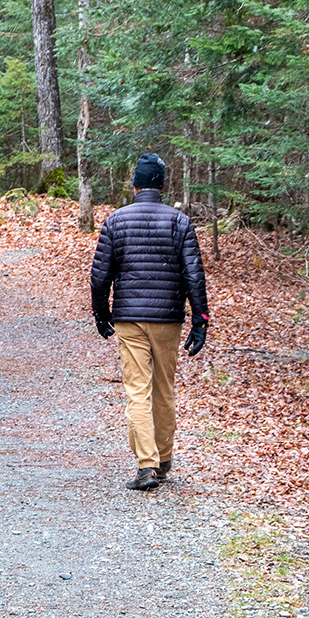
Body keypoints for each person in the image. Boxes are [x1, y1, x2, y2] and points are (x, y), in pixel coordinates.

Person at [90, 153, 210, 491]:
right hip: (167, 320)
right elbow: (194, 276)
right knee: (163, 389)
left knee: (137, 391)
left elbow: (99, 277)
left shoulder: (116, 221)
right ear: (161, 185)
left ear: (135, 184)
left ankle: (146, 465)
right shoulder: (180, 222)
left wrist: (101, 313)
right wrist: (200, 320)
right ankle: (164, 458)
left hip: (129, 319)